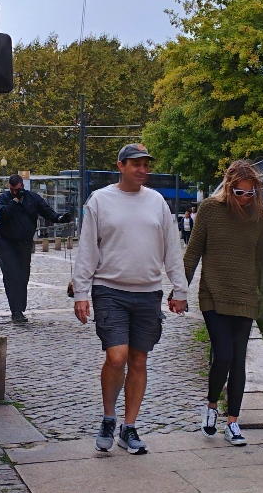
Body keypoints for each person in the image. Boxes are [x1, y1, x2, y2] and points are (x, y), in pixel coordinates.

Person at [72, 144, 188, 454]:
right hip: (110, 290)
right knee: (117, 356)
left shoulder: (157, 202)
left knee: (139, 359)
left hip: (148, 292)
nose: (142, 170)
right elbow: (87, 249)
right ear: (120, 165)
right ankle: (108, 417)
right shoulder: (100, 201)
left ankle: (129, 427)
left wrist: (180, 290)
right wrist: (81, 292)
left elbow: (172, 249)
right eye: (136, 164)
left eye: (146, 165)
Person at [184, 160, 263, 446]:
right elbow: (193, 252)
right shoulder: (210, 209)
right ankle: (210, 407)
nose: (245, 198)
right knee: (224, 354)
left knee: (238, 358)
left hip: (245, 296)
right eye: (240, 192)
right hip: (213, 294)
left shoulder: (259, 217)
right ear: (229, 188)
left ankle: (233, 422)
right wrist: (179, 291)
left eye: (250, 193)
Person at [0, 174, 70, 323]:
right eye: (12, 190)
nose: (14, 192)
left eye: (17, 190)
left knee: (23, 277)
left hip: (24, 244)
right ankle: (16, 311)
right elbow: (3, 214)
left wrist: (60, 218)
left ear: (22, 186)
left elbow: (46, 211)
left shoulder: (32, 198)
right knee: (11, 277)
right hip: (7, 244)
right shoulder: (4, 198)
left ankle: (20, 308)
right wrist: (15, 201)